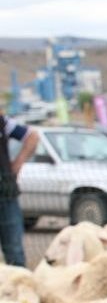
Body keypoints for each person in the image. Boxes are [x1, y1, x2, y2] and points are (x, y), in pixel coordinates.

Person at [0, 114, 40, 267]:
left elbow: (32, 136)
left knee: (15, 253)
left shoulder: (2, 121)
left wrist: (18, 163)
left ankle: (18, 286)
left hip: (6, 194)